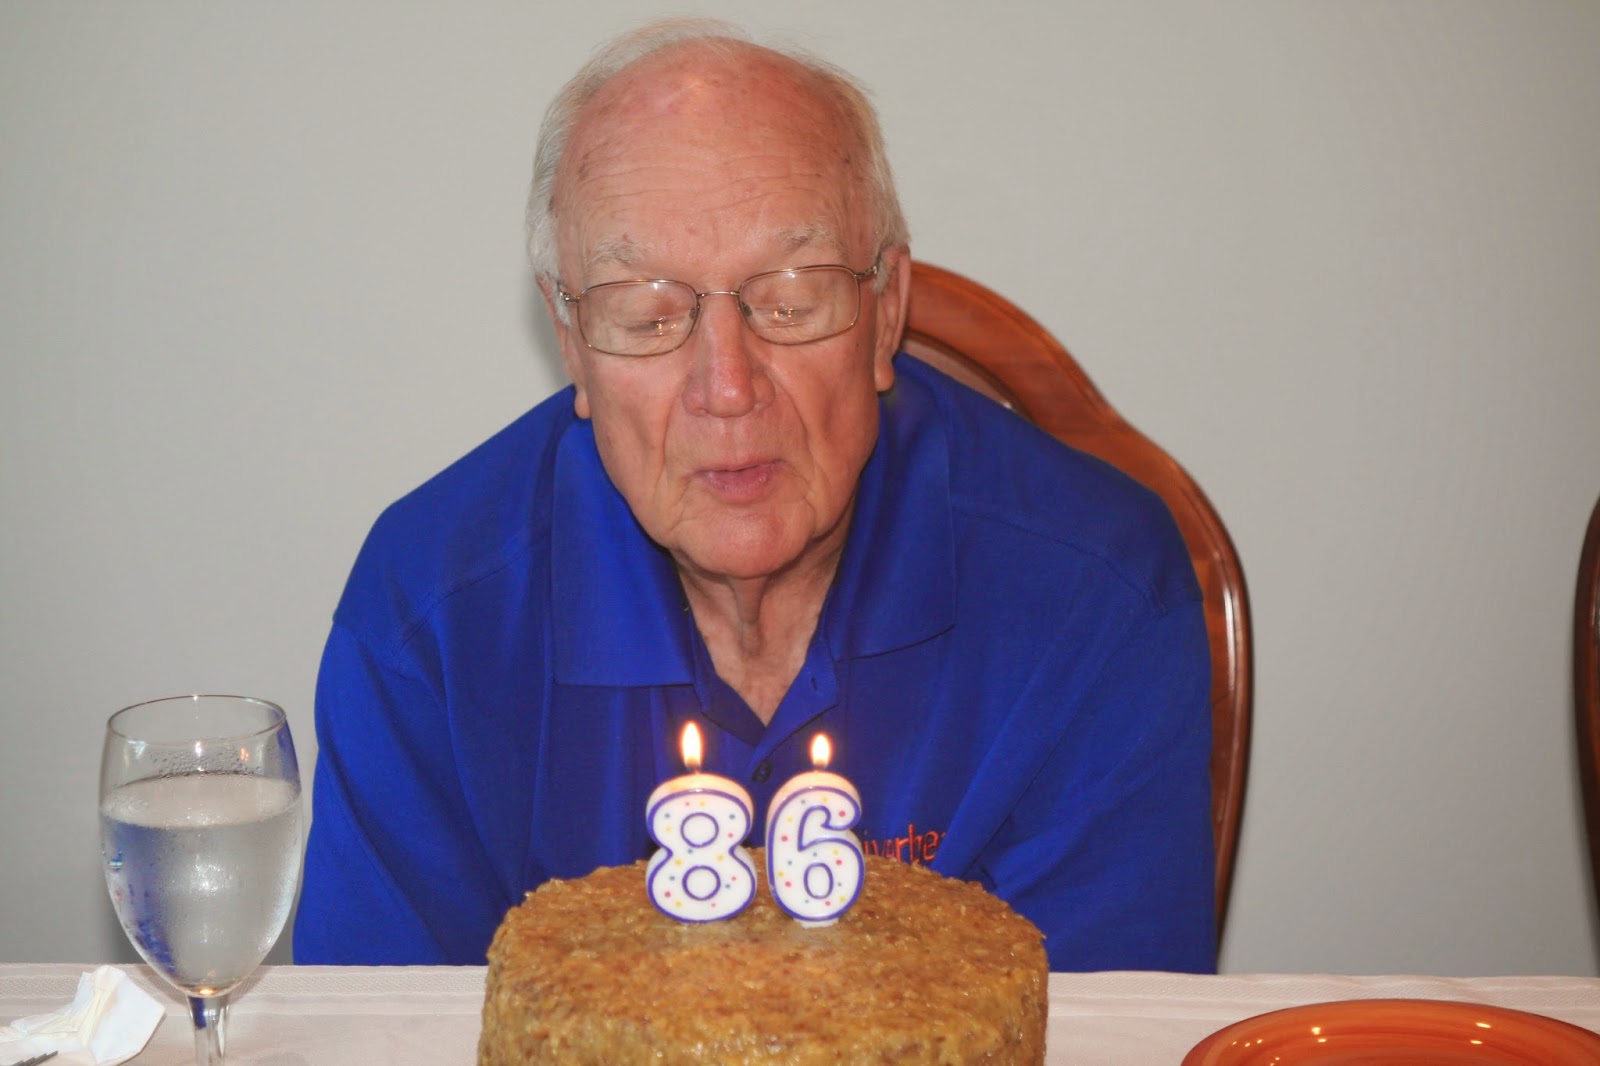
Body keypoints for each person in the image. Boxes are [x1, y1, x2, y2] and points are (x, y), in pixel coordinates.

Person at [294, 17, 1216, 973]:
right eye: (647, 315)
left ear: (885, 312)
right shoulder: (430, 618)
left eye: (789, 302)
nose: (727, 388)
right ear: (571, 342)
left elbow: (1103, 1024)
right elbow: (384, 1026)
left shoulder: (1097, 592)